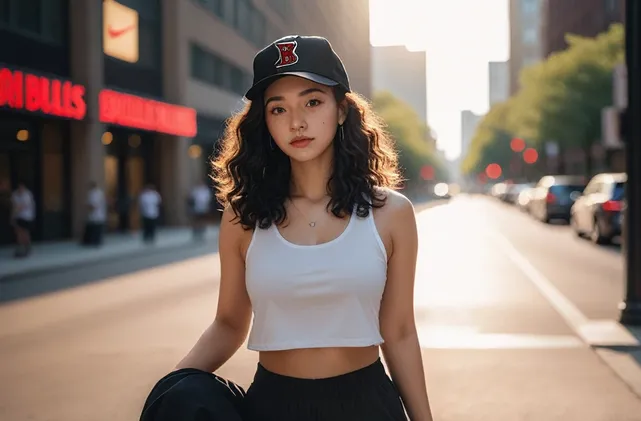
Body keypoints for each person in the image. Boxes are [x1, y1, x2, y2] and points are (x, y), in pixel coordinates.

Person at [140, 35, 433, 421]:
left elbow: (398, 332)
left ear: (342, 110)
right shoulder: (242, 216)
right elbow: (229, 323)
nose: (297, 122)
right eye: (278, 109)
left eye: (312, 102)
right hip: (273, 407)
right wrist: (170, 389)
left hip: (367, 405)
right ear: (265, 121)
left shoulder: (390, 213)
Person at [10, 182, 35, 258]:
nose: (21, 189)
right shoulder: (14, 194)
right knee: (18, 232)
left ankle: (27, 247)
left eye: (22, 187)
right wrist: (12, 217)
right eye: (19, 187)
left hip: (26, 216)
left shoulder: (27, 195)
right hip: (17, 216)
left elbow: (23, 206)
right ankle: (21, 248)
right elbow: (14, 206)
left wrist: (17, 209)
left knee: (25, 233)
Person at [82, 181, 106, 246]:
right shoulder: (100, 193)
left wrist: (89, 206)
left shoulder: (93, 193)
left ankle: (94, 241)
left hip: (96, 215)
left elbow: (93, 204)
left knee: (95, 228)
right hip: (98, 215)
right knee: (98, 229)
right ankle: (97, 241)